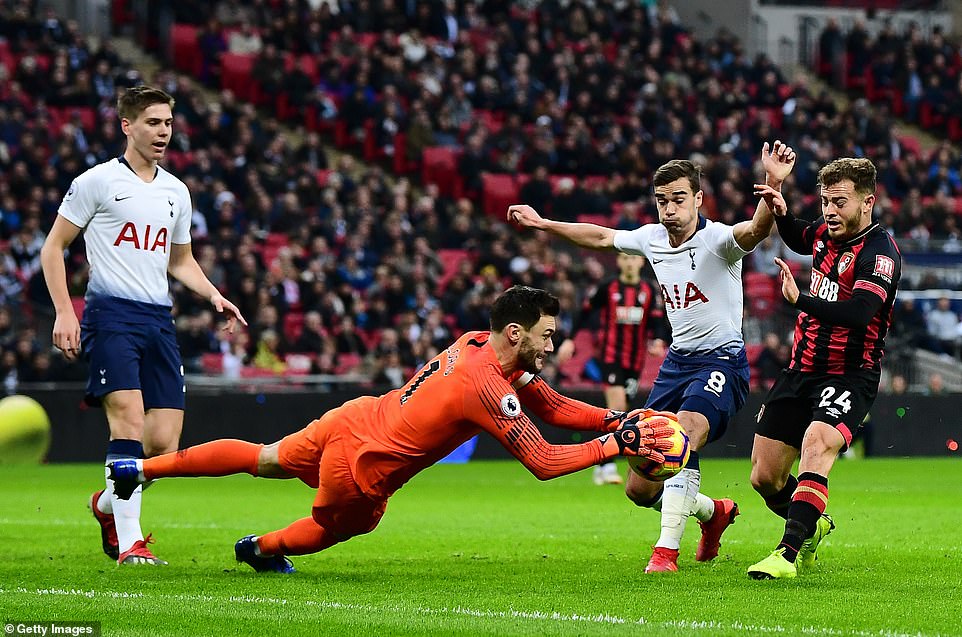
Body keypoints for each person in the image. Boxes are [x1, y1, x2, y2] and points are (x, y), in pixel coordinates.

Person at [107, 286, 677, 573]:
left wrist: (615, 418)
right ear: (514, 331)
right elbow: (545, 462)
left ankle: (138, 469)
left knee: (263, 457)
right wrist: (614, 444)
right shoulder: (486, 385)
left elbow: (551, 407)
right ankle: (258, 548)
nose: (553, 345)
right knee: (338, 528)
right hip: (361, 472)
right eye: (546, 335)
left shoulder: (478, 345)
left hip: (352, 418)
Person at [508, 141, 798, 573]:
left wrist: (772, 182)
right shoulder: (652, 239)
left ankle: (665, 553)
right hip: (677, 364)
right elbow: (602, 237)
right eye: (662, 200)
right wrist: (544, 224)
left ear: (698, 199)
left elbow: (754, 231)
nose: (669, 208)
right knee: (639, 487)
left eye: (679, 199)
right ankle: (711, 513)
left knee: (683, 435)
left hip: (721, 361)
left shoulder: (717, 240)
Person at [39, 86, 247, 566]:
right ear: (126, 126)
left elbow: (181, 260)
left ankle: (107, 503)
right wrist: (65, 312)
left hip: (158, 319)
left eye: (168, 123)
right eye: (153, 123)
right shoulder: (96, 182)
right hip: (110, 316)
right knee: (128, 422)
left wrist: (214, 295)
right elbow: (53, 248)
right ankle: (131, 545)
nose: (163, 132)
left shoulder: (177, 191)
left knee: (162, 446)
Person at [748, 157, 901, 579]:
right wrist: (781, 213)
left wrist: (800, 301)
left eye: (839, 202)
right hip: (801, 369)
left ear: (867, 202)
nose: (829, 211)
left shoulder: (879, 253)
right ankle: (812, 526)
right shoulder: (826, 231)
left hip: (850, 374)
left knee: (817, 442)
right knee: (764, 476)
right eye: (825, 201)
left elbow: (860, 312)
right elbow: (801, 236)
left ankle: (787, 554)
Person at [556, 253, 668, 486]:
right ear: (618, 261)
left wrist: (657, 340)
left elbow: (658, 321)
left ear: (640, 262)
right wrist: (571, 339)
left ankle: (599, 463)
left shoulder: (649, 290)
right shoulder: (608, 286)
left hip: (635, 362)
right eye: (625, 258)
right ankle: (606, 465)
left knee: (619, 411)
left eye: (633, 258)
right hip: (610, 357)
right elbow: (585, 313)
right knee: (617, 408)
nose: (629, 262)